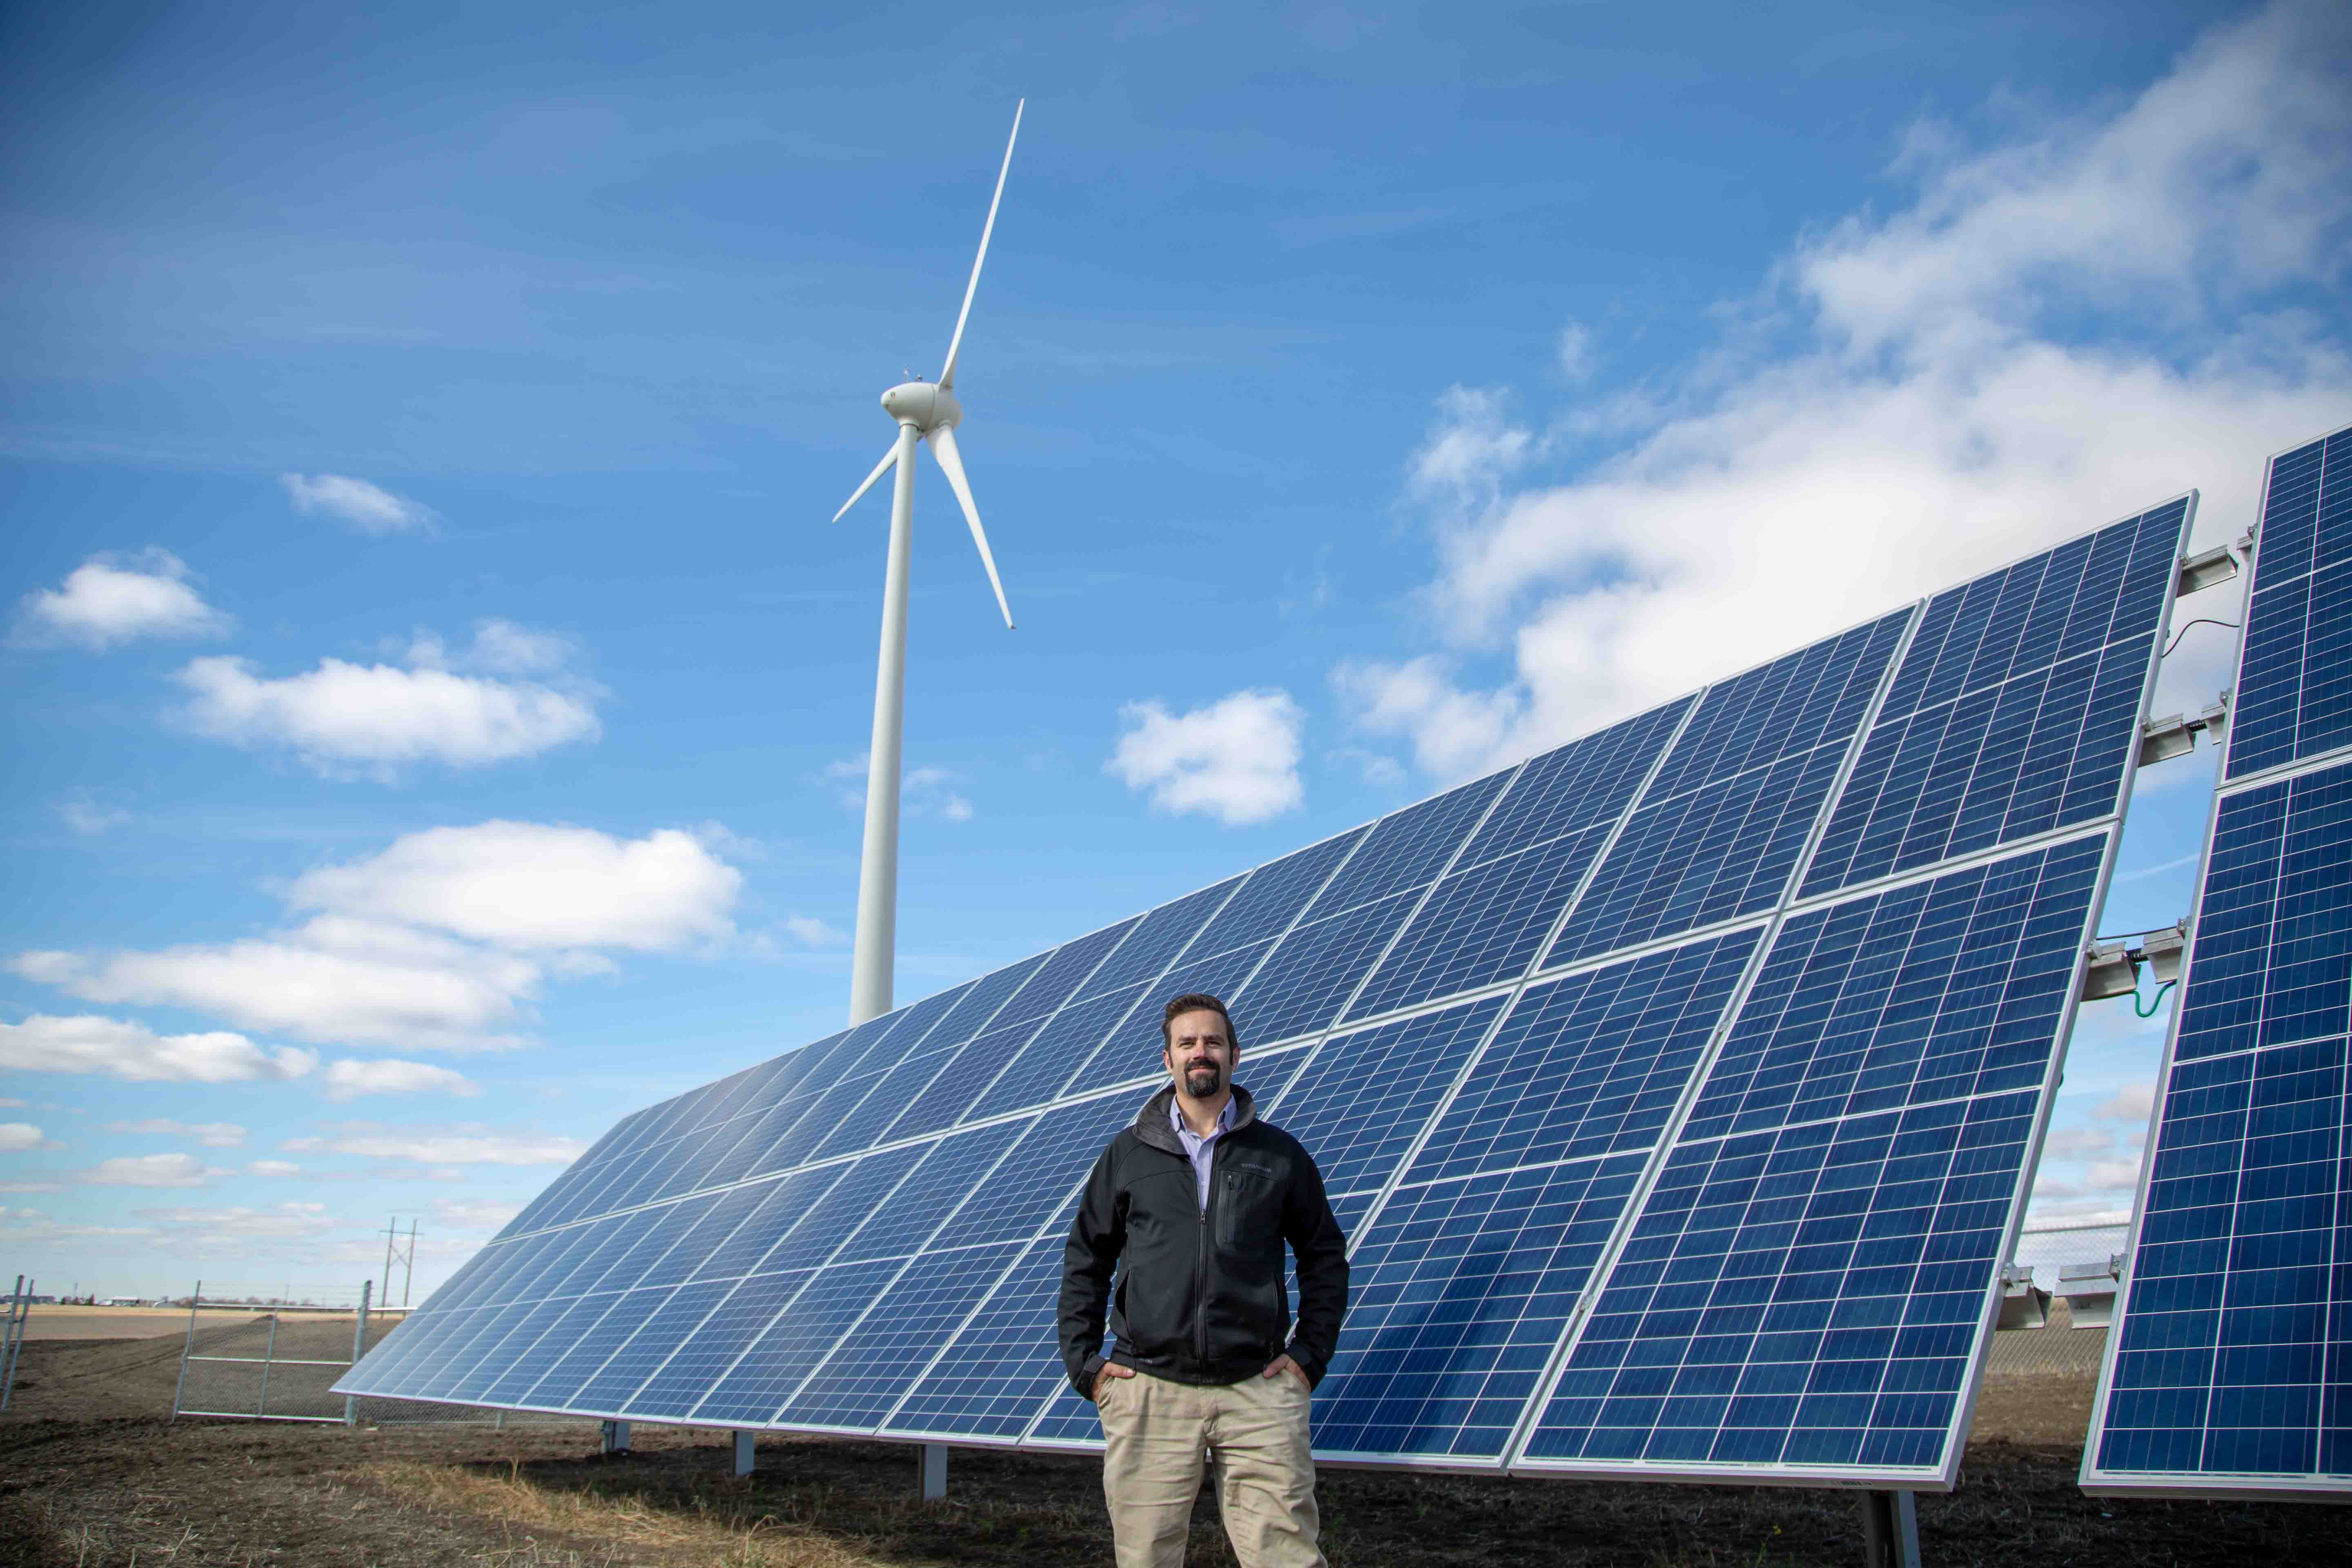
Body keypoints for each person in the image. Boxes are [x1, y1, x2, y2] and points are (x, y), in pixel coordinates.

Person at [1059, 991, 1348, 1568]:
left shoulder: (1279, 1155)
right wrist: (1085, 1366)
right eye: (1187, 1043)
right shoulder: (1128, 1155)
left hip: (1258, 1390)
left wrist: (1309, 1356)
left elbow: (1324, 1256)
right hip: (1150, 1389)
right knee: (1146, 1557)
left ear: (1235, 1056)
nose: (1201, 1053)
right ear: (1167, 1060)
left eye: (1213, 1042)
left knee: (1285, 1554)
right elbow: (1087, 1257)